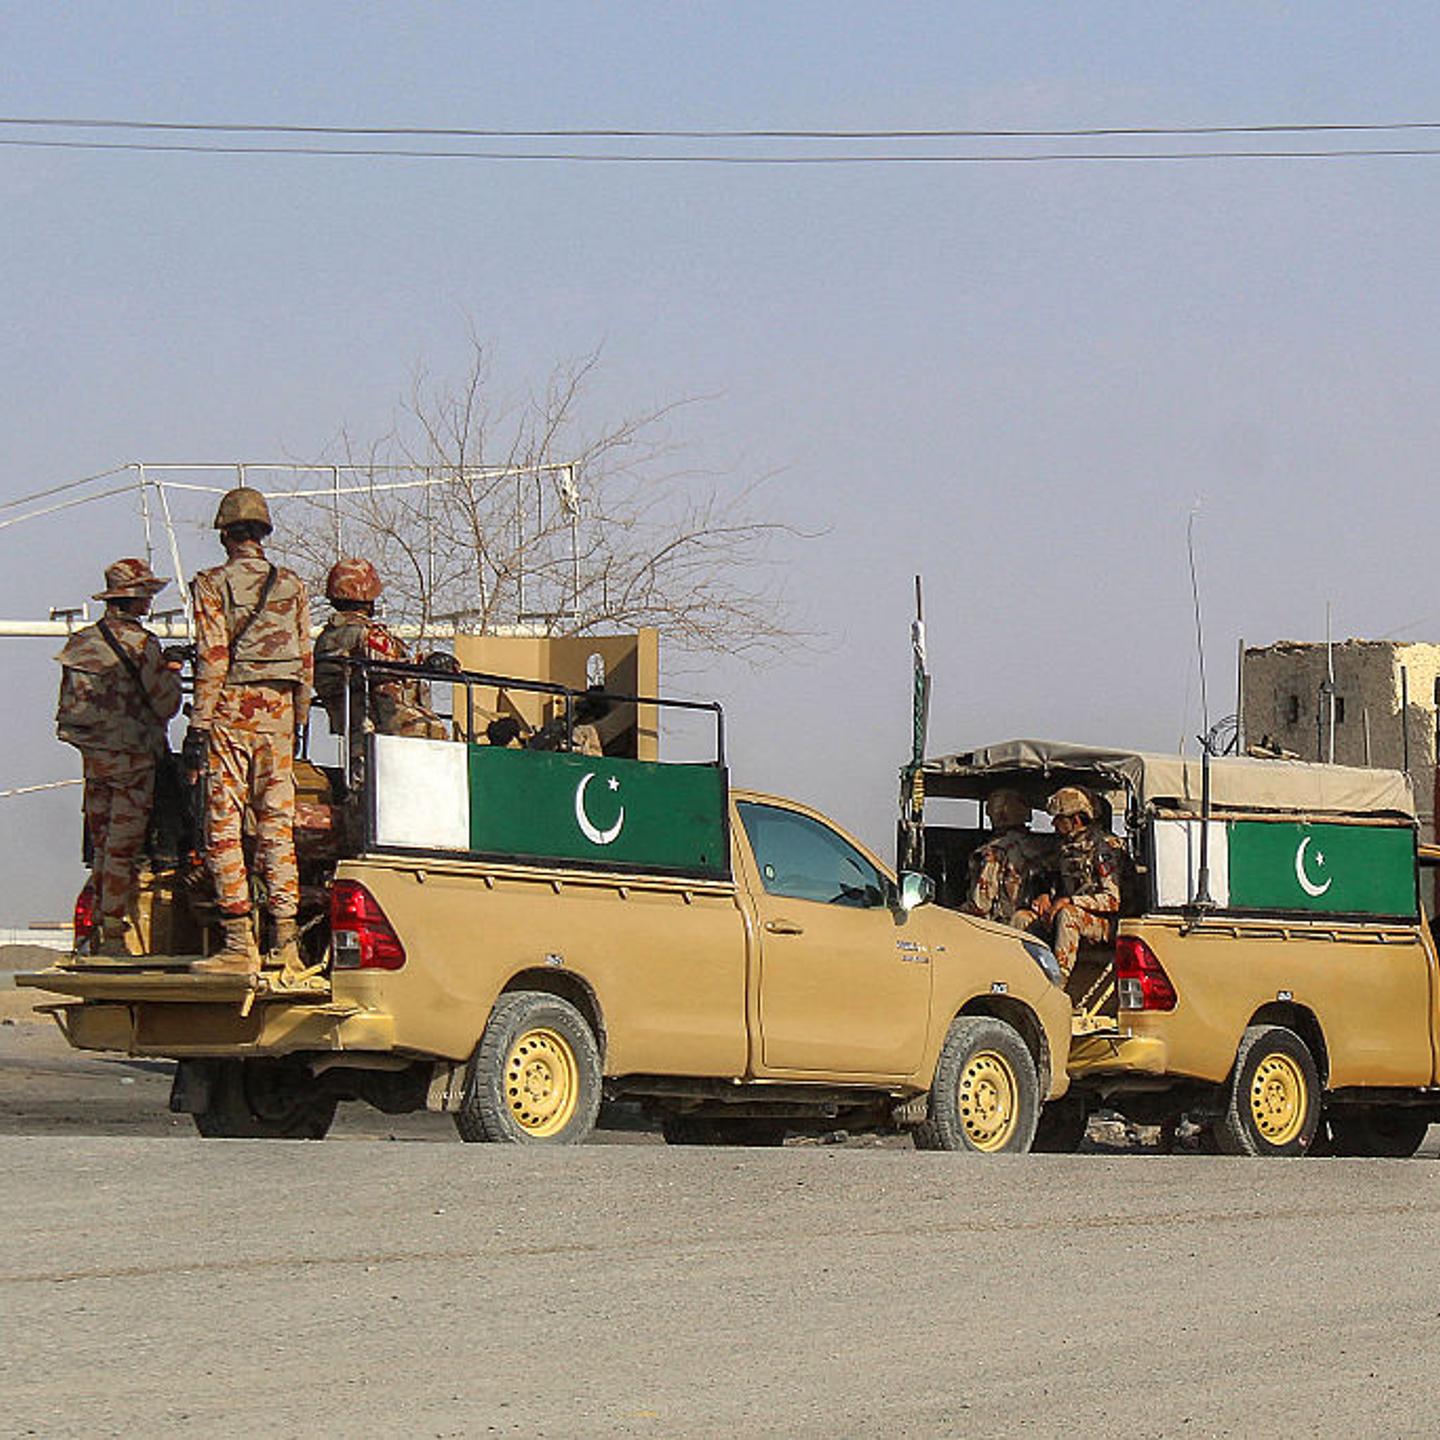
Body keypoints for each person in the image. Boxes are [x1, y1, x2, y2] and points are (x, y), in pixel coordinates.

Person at [183, 487, 313, 975]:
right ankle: (287, 944)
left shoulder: (212, 584)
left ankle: (239, 944)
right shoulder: (292, 584)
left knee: (224, 828)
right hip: (278, 716)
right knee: (278, 829)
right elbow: (305, 660)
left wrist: (200, 723)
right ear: (262, 532)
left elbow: (214, 657)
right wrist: (297, 718)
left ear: (225, 535)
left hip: (233, 713)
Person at [55, 559, 182, 957]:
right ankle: (112, 936)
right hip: (133, 760)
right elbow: (167, 704)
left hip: (95, 759)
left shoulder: (81, 642)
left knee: (104, 845)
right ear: (137, 598)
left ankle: (95, 931)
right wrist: (173, 670)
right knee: (123, 849)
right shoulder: (142, 646)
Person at [313, 557, 448, 752]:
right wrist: (425, 662)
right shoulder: (365, 633)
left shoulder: (328, 637)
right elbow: (387, 666)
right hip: (389, 733)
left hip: (363, 732)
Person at [1019, 786, 1123, 978]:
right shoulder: (1067, 846)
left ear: (1075, 820)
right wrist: (1044, 895)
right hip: (1070, 913)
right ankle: (1020, 978)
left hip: (1109, 923)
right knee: (1023, 918)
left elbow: (1113, 900)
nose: (1053, 824)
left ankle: (1059, 980)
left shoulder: (1104, 848)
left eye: (1059, 819)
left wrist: (1070, 902)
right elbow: (1048, 871)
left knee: (1069, 915)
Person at [961, 789, 1049, 926]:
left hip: (1001, 924)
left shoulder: (996, 851)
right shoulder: (1037, 846)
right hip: (1034, 919)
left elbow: (981, 905)